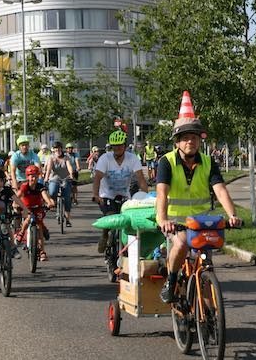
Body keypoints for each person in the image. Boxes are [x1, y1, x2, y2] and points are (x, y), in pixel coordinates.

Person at [157, 91, 241, 303]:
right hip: (177, 222)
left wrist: (232, 215)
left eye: (194, 137)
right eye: (185, 138)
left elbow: (220, 189)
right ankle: (172, 280)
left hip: (203, 221)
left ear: (199, 140)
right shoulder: (167, 162)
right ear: (177, 142)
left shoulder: (208, 162)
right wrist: (162, 219)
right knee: (182, 244)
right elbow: (162, 192)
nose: (190, 142)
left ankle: (208, 313)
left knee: (206, 261)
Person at [91, 129, 148, 253]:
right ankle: (105, 234)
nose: (117, 148)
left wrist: (145, 197)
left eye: (120, 145)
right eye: (114, 146)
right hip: (106, 195)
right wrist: (96, 195)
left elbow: (141, 179)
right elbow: (97, 178)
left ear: (125, 146)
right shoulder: (105, 159)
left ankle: (124, 249)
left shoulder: (132, 158)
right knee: (110, 215)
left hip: (124, 195)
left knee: (127, 221)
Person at [16, 165, 56, 261]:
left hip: (38, 208)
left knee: (39, 228)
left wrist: (50, 203)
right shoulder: (24, 187)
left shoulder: (40, 187)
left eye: (35, 176)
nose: (33, 178)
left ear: (38, 177)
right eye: (30, 175)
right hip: (27, 209)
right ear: (27, 177)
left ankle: (42, 251)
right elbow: (17, 196)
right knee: (28, 218)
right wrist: (15, 204)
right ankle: (21, 233)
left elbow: (45, 196)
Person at [44, 141, 75, 227]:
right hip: (54, 179)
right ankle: (54, 203)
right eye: (55, 148)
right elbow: (49, 169)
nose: (57, 149)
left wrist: (71, 175)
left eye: (59, 148)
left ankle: (68, 219)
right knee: (53, 191)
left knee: (67, 198)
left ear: (61, 148)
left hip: (65, 179)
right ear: (53, 150)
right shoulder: (51, 158)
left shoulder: (66, 158)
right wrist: (46, 179)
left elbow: (69, 167)